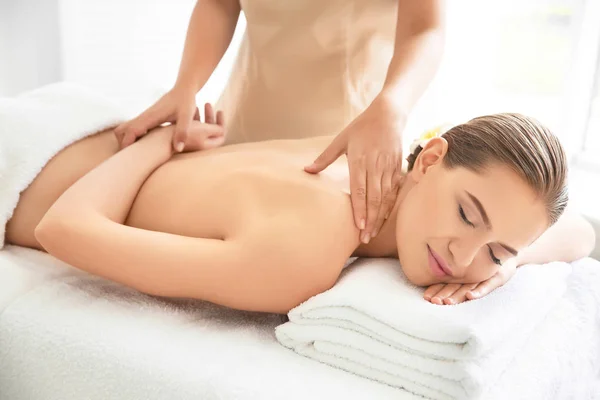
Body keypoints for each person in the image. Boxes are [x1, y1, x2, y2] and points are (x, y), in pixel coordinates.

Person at [5, 112, 595, 313]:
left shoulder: (376, 158)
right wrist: (155, 144)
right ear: (432, 157)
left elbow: (577, 229)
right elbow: (63, 229)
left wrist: (508, 264)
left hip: (90, 139)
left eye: (497, 248)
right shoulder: (305, 253)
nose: (463, 258)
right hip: (28, 165)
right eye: (469, 215)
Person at [113, 0, 446, 249]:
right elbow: (220, 3)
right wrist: (185, 85)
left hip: (341, 147)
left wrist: (392, 105)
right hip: (237, 128)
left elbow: (425, 28)